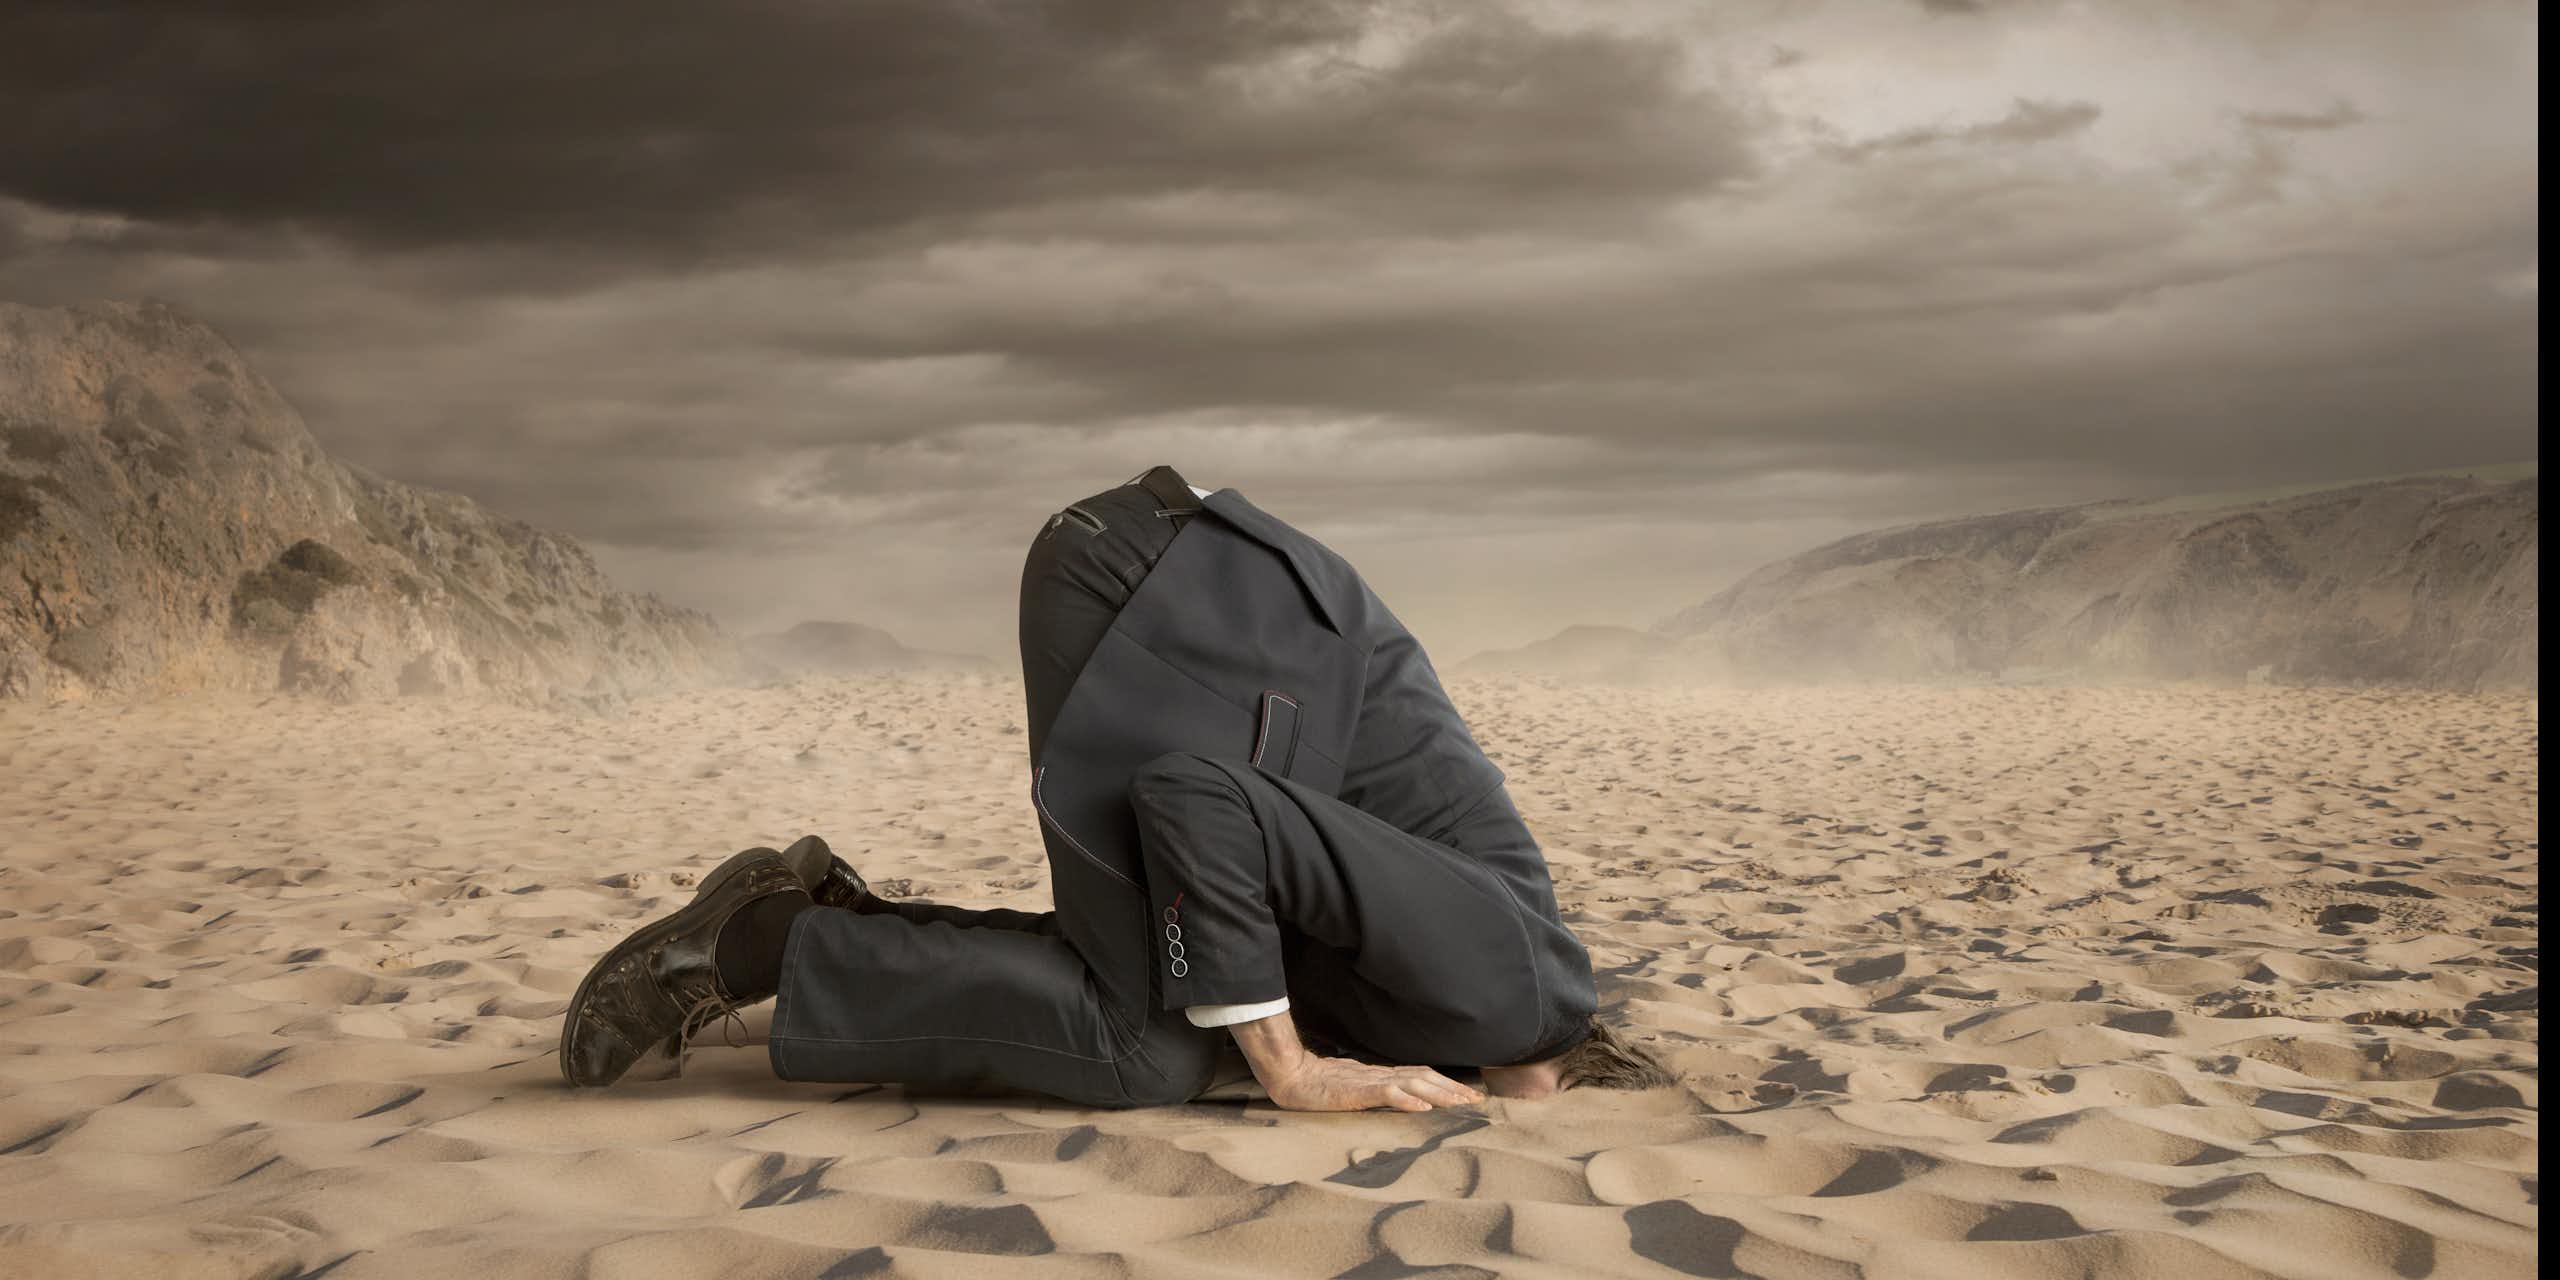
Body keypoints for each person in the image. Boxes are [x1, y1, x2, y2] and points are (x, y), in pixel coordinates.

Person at [560, 465, 1673, 1110]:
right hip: (1157, 594)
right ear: (1568, 1071)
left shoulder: (1455, 994)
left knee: (1172, 997)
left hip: (1189, 592)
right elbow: (1200, 800)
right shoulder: (1513, 988)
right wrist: (1286, 1070)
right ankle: (750, 945)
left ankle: (824, 923)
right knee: (1151, 1044)